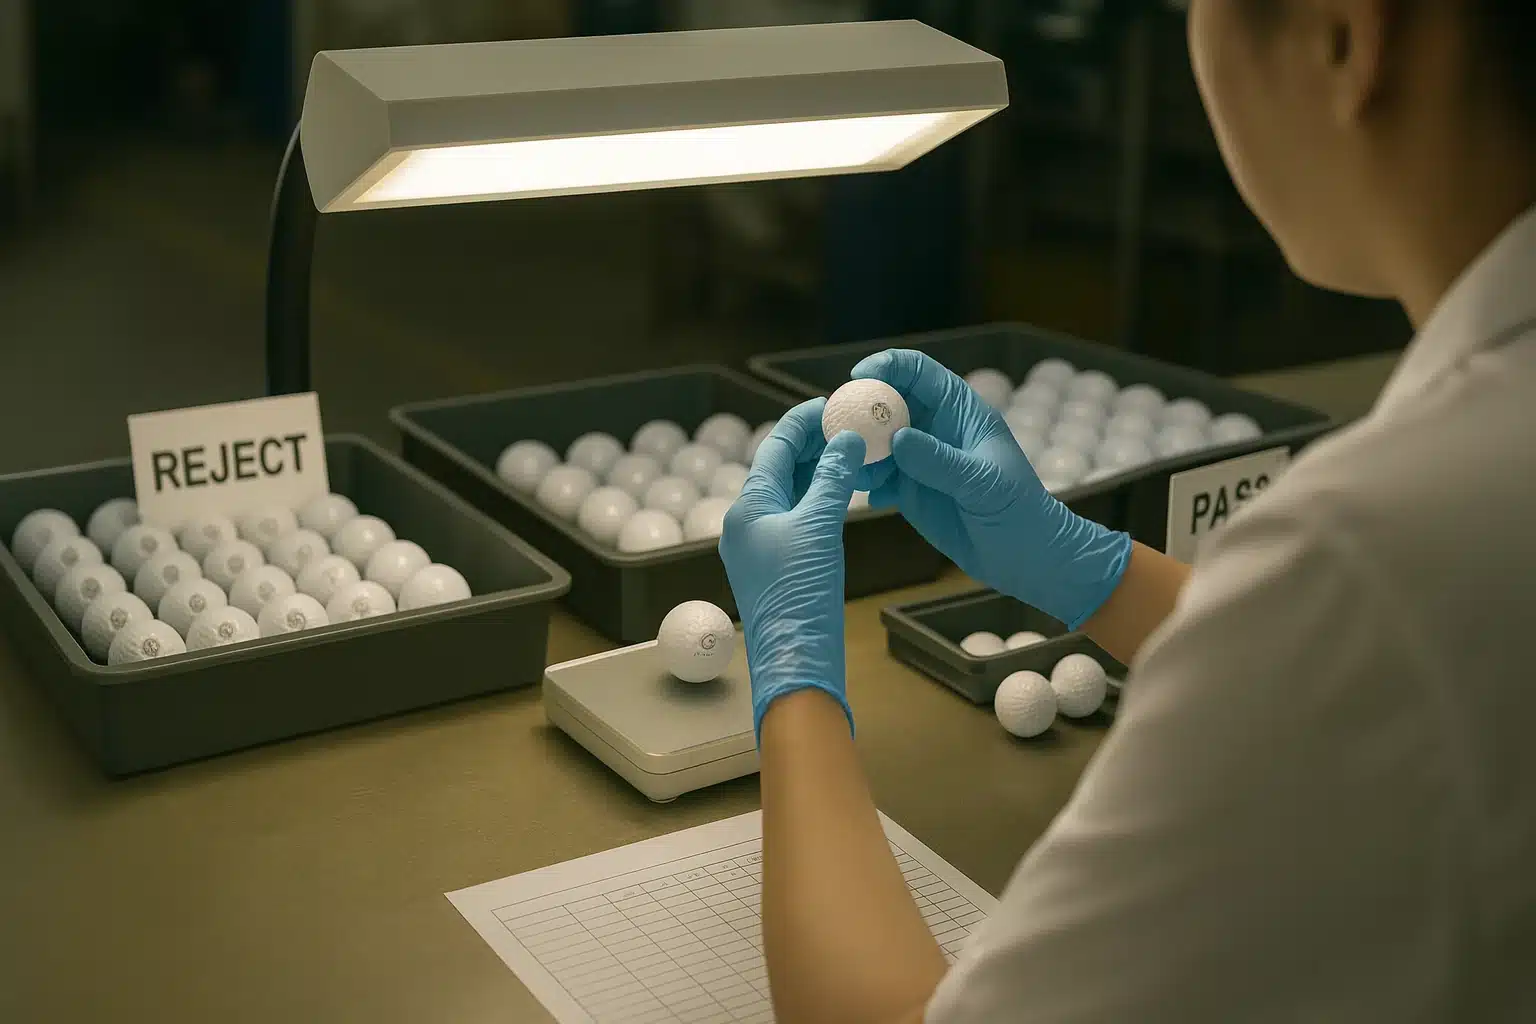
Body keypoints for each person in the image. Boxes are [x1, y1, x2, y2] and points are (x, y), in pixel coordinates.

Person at [717, 1, 1536, 1020]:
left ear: (1341, 36)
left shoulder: (1370, 545)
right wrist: (1089, 565)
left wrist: (793, 674)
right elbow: (1371, 674)